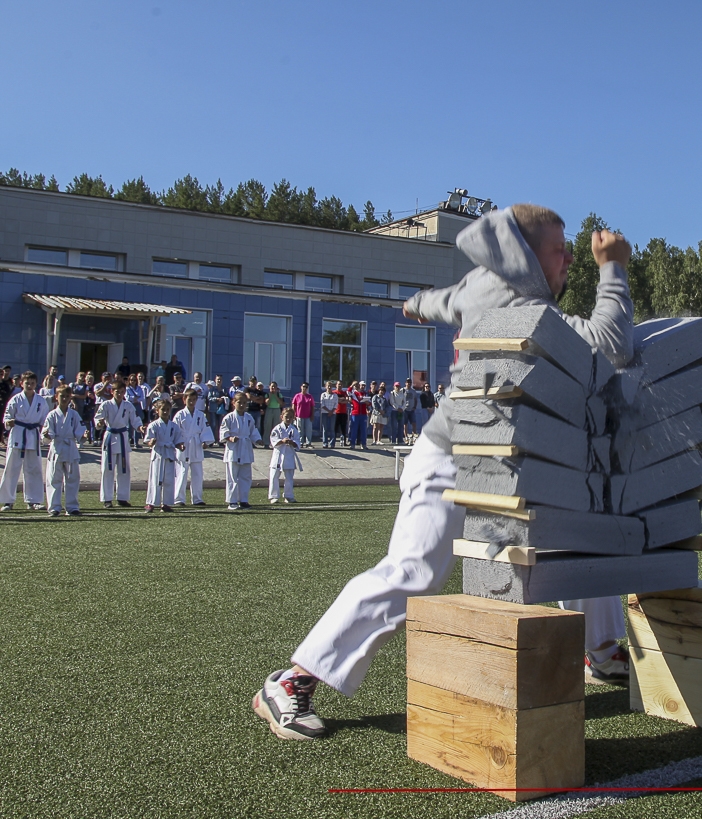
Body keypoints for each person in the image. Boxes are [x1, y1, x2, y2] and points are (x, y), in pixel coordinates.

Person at [252, 205, 635, 741]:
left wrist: (414, 304)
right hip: (451, 457)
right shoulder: (526, 311)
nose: (570, 257)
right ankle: (292, 679)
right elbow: (611, 345)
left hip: (507, 460)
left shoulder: (483, 285)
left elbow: (444, 300)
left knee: (575, 534)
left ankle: (600, 650)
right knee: (415, 573)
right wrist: (612, 267)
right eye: (559, 250)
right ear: (525, 258)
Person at [1, 371, 50, 511]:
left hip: (33, 435)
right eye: (27, 383)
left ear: (36, 384)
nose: (29, 385)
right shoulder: (15, 399)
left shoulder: (41, 401)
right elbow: (7, 416)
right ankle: (7, 501)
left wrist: (45, 431)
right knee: (11, 468)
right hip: (18, 434)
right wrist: (8, 422)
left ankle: (34, 501)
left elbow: (45, 420)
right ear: (22, 383)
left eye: (32, 383)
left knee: (34, 468)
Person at [96, 380, 142, 507]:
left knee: (124, 469)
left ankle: (122, 497)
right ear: (112, 392)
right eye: (117, 392)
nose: (120, 394)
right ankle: (107, 498)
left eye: (122, 392)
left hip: (122, 437)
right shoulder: (106, 405)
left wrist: (140, 427)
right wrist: (99, 423)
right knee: (107, 469)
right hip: (110, 436)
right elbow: (98, 418)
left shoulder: (128, 406)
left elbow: (135, 420)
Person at [42, 385, 86, 516]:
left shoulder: (74, 414)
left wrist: (84, 436)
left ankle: (72, 507)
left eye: (67, 396)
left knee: (72, 478)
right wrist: (47, 436)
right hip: (57, 447)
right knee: (54, 479)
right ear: (56, 397)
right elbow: (47, 435)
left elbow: (80, 432)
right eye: (62, 396)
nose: (65, 399)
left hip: (70, 447)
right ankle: (54, 507)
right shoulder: (52, 415)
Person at [174, 387, 214, 507]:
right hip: (184, 444)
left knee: (197, 473)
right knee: (182, 472)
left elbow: (205, 429)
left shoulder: (200, 415)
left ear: (197, 400)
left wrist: (205, 441)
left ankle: (197, 498)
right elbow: (175, 430)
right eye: (189, 400)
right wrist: (179, 443)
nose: (191, 402)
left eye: (194, 400)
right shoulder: (179, 415)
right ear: (184, 400)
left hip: (196, 444)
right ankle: (179, 499)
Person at [221, 392, 260, 509]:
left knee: (245, 476)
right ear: (233, 403)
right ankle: (232, 501)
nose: (242, 405)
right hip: (233, 449)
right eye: (239, 402)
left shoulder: (249, 418)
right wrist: (230, 438)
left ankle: (244, 500)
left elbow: (253, 431)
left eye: (244, 402)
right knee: (232, 476)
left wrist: (257, 439)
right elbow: (223, 432)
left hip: (246, 447)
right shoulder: (228, 418)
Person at [143, 399, 183, 513]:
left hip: (169, 453)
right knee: (155, 479)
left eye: (167, 410)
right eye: (163, 409)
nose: (165, 412)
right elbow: (148, 440)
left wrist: (180, 446)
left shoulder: (174, 426)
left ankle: (165, 503)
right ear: (157, 410)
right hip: (158, 453)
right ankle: (151, 503)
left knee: (169, 480)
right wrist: (151, 442)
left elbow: (177, 440)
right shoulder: (153, 425)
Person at [268, 407, 301, 504]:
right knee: (274, 476)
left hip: (289, 455)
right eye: (286, 417)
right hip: (278, 455)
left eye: (290, 417)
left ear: (293, 418)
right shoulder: (277, 428)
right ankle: (274, 496)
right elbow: (273, 441)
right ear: (281, 417)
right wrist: (282, 441)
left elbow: (297, 443)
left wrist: (292, 442)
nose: (288, 419)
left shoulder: (294, 429)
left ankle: (288, 496)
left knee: (289, 477)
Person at [292, 382, 316, 448]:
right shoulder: (297, 395)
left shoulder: (310, 396)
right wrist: (293, 414)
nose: (304, 388)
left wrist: (312, 415)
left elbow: (312, 406)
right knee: (300, 430)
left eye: (306, 387)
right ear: (301, 387)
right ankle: (300, 442)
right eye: (303, 386)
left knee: (308, 430)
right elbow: (293, 405)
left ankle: (308, 443)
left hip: (308, 416)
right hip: (299, 415)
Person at [348, 381, 369, 450]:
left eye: (364, 385)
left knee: (363, 430)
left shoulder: (365, 393)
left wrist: (367, 402)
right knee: (354, 429)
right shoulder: (354, 393)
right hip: (355, 413)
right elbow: (348, 392)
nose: (363, 387)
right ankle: (352, 444)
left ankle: (363, 444)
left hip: (363, 414)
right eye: (361, 385)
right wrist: (352, 385)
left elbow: (369, 403)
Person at [319, 382, 339, 448]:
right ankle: (325, 443)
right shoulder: (323, 394)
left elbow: (336, 405)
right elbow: (322, 404)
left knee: (332, 428)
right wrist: (328, 411)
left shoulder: (335, 395)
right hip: (324, 413)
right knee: (325, 428)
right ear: (325, 386)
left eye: (330, 386)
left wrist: (331, 411)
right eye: (328, 386)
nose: (329, 387)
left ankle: (332, 443)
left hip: (332, 413)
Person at [334, 382, 349, 446]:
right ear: (336, 385)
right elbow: (335, 400)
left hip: (343, 412)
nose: (340, 385)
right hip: (336, 412)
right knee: (335, 428)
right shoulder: (334, 392)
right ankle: (333, 442)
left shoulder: (344, 392)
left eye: (341, 384)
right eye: (338, 384)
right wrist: (342, 399)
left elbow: (347, 400)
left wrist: (340, 400)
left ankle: (344, 442)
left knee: (343, 428)